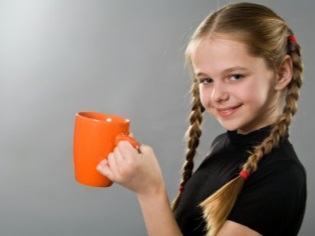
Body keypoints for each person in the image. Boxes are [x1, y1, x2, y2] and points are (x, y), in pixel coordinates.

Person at [97, 2, 307, 236]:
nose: (218, 95)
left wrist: (150, 191)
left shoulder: (281, 176)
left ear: (281, 73)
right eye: (206, 80)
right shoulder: (224, 145)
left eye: (235, 76)